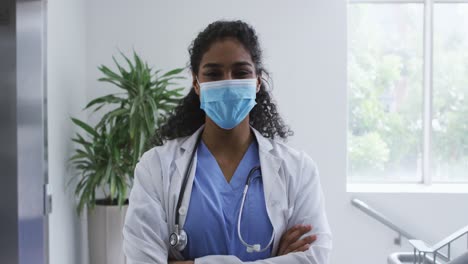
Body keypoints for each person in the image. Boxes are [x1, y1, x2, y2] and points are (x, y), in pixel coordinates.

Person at [123, 20, 332, 264]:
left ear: (257, 82)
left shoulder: (298, 169)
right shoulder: (156, 167)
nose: (228, 82)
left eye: (241, 72)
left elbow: (314, 258)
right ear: (196, 84)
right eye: (213, 73)